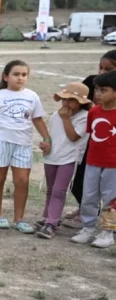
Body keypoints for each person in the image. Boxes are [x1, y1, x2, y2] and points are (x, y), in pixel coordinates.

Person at [0, 60, 51, 233]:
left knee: (22, 181)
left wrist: (47, 138)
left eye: (24, 75)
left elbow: (37, 119)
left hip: (23, 144)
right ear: (6, 76)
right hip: (0, 142)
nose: (20, 78)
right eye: (16, 74)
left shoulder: (32, 96)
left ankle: (19, 219)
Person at [38, 82, 90, 240]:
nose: (66, 103)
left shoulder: (84, 117)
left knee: (59, 191)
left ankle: (52, 223)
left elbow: (73, 136)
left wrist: (66, 118)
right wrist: (46, 144)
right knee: (50, 189)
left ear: (81, 102)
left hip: (69, 159)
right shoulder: (56, 115)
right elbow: (53, 136)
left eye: (71, 100)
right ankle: (48, 217)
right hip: (52, 156)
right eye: (64, 99)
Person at [71, 70, 116, 249]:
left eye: (103, 90)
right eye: (96, 89)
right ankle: (87, 227)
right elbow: (91, 136)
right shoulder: (94, 112)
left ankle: (107, 232)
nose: (97, 94)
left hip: (113, 165)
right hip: (92, 161)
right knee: (88, 195)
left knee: (110, 197)